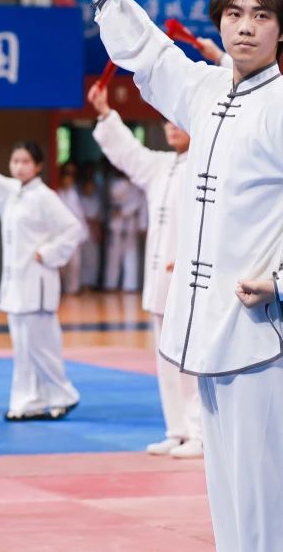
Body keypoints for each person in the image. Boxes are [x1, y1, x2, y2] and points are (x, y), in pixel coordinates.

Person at [65, 0, 283, 551]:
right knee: (228, 490)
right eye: (233, 14)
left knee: (272, 488)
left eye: (261, 16)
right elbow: (150, 52)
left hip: (265, 332)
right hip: (209, 327)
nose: (245, 27)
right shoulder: (205, 91)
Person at [89, 81, 203, 458]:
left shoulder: (207, 166)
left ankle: (200, 432)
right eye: (166, 120)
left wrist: (191, 255)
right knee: (166, 359)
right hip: (160, 279)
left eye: (178, 120)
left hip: (193, 278)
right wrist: (106, 113)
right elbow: (129, 153)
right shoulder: (162, 166)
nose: (171, 126)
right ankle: (177, 429)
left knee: (190, 358)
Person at [0, 137, 86, 421]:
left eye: (26, 161)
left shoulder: (45, 196)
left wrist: (47, 253)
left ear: (38, 166)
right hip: (17, 285)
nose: (20, 167)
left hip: (37, 283)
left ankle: (63, 394)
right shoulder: (13, 192)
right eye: (15, 161)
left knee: (41, 348)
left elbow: (73, 228)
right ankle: (30, 401)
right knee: (24, 349)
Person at [104, 171, 144, 292]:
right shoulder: (114, 183)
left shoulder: (137, 186)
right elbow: (114, 195)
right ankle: (110, 284)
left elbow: (138, 205)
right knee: (113, 258)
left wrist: (142, 225)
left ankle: (130, 286)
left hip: (130, 227)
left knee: (130, 257)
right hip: (116, 227)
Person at [56, 161, 85, 295]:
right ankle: (59, 291)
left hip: (75, 234)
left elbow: (81, 216)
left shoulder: (75, 194)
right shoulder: (57, 194)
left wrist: (83, 235)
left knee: (75, 265)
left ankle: (72, 290)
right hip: (61, 234)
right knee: (61, 265)